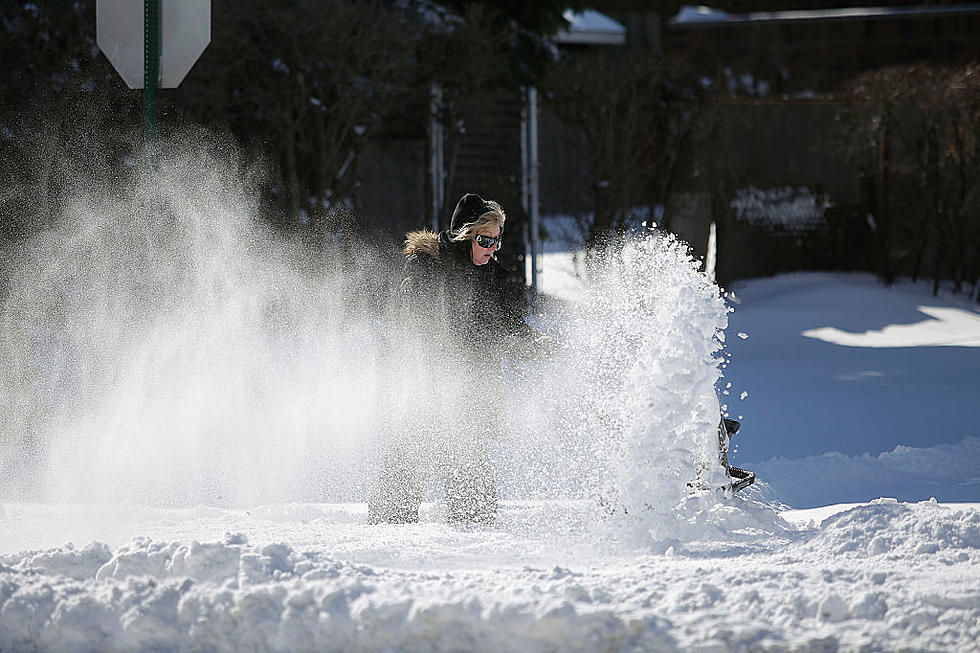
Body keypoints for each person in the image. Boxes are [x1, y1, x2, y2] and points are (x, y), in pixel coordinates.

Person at [368, 193, 549, 525]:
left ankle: (472, 561)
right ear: (465, 236)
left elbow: (510, 327)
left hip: (466, 409)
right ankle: (384, 557)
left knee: (476, 510)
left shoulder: (491, 277)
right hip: (421, 401)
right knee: (394, 507)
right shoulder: (427, 268)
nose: (492, 248)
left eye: (497, 240)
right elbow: (413, 327)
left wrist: (542, 344)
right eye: (484, 239)